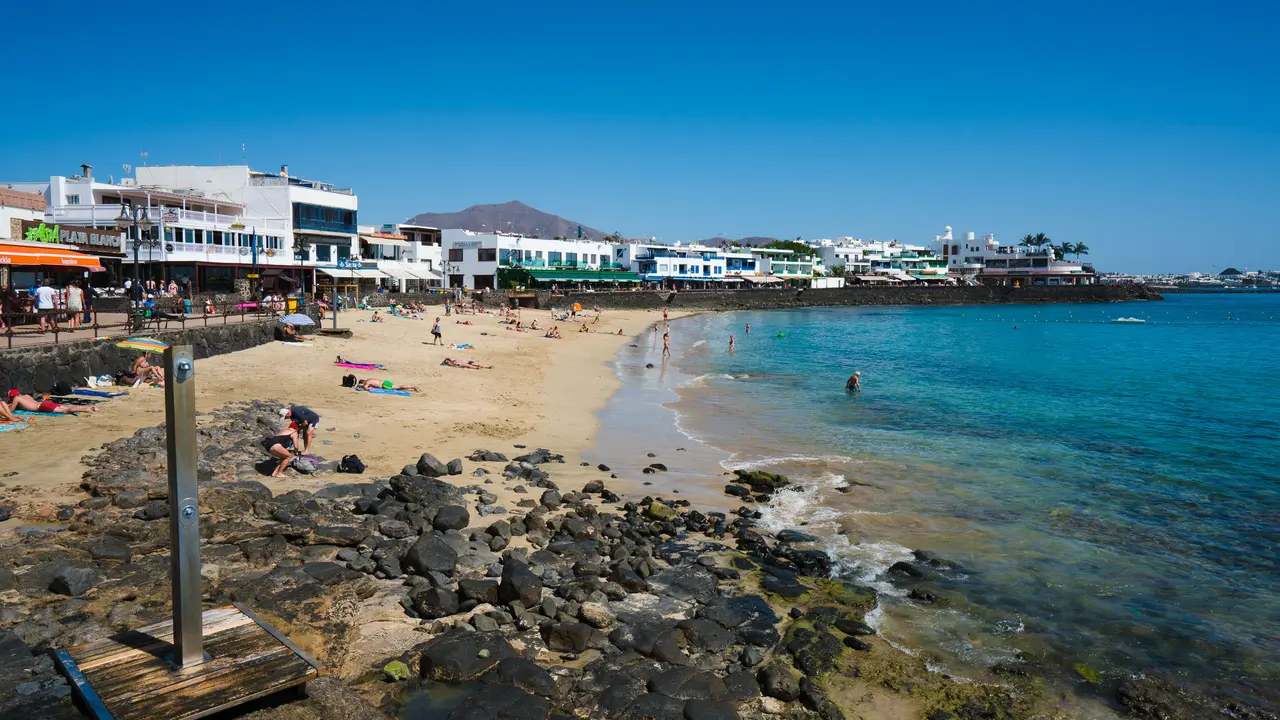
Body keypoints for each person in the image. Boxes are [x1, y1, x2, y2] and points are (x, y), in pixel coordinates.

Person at [7, 389, 95, 415]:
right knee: (66, 407)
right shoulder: (26, 395)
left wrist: (6, 406)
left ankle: (86, 410)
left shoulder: (16, 399)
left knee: (65, 410)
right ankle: (90, 407)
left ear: (12, 397)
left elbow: (11, 410)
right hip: (45, 403)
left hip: (42, 407)